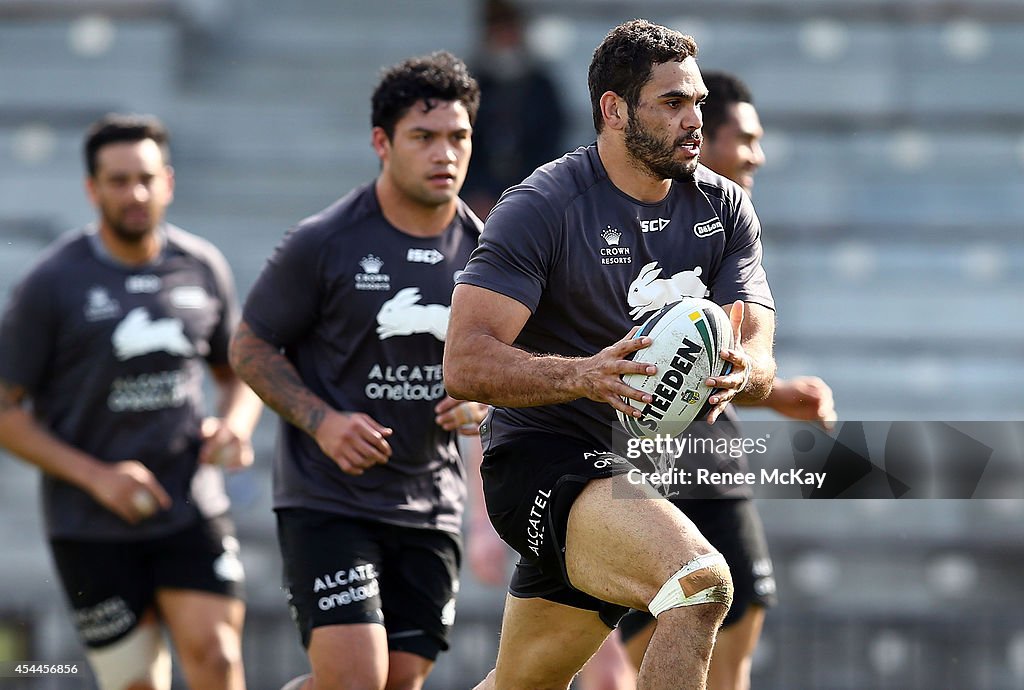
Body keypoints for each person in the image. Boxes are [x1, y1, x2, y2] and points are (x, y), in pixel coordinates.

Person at [444, 19, 778, 690]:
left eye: (698, 103)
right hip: (538, 462)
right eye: (673, 103)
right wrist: (585, 375)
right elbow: (466, 362)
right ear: (615, 110)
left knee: (519, 684)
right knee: (700, 584)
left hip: (625, 473)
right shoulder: (542, 205)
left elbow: (761, 354)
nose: (694, 120)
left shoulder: (726, 209)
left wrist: (740, 370)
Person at [228, 52, 486, 690]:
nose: (444, 154)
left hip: (429, 504)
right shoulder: (324, 241)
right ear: (382, 142)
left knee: (397, 683)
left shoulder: (487, 250)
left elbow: (510, 365)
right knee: (355, 680)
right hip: (329, 499)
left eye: (458, 138)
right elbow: (249, 347)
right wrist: (322, 423)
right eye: (423, 138)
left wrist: (486, 404)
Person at [578, 70, 839, 690]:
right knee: (654, 648)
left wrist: (773, 391)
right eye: (744, 137)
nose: (757, 154)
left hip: (707, 442)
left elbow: (705, 352)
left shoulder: (726, 219)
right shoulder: (591, 210)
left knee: (737, 635)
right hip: (625, 454)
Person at [0, 114, 262, 690]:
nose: (135, 193)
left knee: (218, 660)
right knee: (137, 683)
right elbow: (5, 412)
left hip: (191, 505)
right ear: (92, 189)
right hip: (88, 522)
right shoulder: (51, 283)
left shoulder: (202, 266)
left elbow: (239, 372)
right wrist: (97, 477)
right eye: (117, 181)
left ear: (167, 181)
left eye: (145, 178)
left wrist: (234, 426)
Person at [462, 0, 567, 219]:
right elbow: (463, 143)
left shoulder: (541, 86)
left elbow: (551, 142)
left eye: (509, 33)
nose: (505, 41)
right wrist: (477, 192)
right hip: (479, 198)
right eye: (499, 34)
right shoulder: (471, 85)